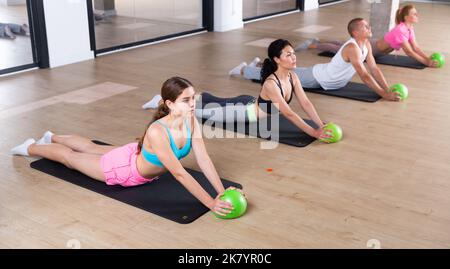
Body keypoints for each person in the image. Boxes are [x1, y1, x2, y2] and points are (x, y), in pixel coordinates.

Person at [11, 77, 241, 216]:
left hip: (134, 153)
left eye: (193, 98)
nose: (193, 104)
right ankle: (30, 147)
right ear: (170, 104)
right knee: (71, 158)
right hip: (124, 170)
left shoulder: (190, 120)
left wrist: (221, 191)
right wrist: (211, 202)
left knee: (91, 146)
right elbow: (179, 174)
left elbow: (203, 159)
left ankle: (52, 136)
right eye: (186, 100)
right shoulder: (158, 132)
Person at [229, 18, 401, 101]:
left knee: (287, 71)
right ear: (355, 32)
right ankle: (245, 69)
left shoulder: (366, 45)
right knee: (281, 77)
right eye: (365, 26)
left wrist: (387, 89)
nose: (369, 28)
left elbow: (374, 69)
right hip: (318, 78)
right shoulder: (352, 48)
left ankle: (258, 64)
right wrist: (385, 95)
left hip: (329, 79)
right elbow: (365, 75)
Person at [196, 39, 332, 141]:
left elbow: (305, 103)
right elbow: (288, 113)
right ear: (277, 59)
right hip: (243, 112)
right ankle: (180, 105)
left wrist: (320, 125)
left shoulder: (293, 77)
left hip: (249, 102)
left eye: (293, 53)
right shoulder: (271, 84)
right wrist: (314, 133)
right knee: (200, 113)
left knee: (216, 100)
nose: (293, 57)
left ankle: (198, 96)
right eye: (288, 55)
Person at [296, 5, 439, 68]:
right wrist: (427, 63)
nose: (417, 15)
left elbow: (416, 47)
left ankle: (319, 40)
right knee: (338, 50)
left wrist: (427, 59)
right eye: (414, 13)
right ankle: (312, 45)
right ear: (406, 17)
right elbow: (409, 52)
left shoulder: (409, 27)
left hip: (375, 45)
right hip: (375, 49)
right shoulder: (401, 30)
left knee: (342, 44)